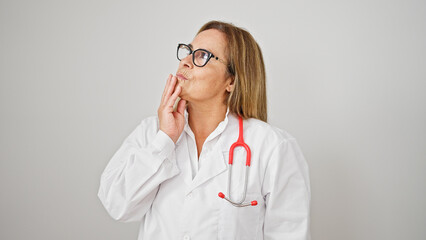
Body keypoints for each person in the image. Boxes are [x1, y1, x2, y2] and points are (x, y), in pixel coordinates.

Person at [98, 20, 311, 240]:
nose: (186, 61)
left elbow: (289, 233)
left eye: (202, 55)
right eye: (188, 51)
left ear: (231, 80)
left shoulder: (272, 147)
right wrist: (165, 141)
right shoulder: (151, 133)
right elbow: (117, 206)